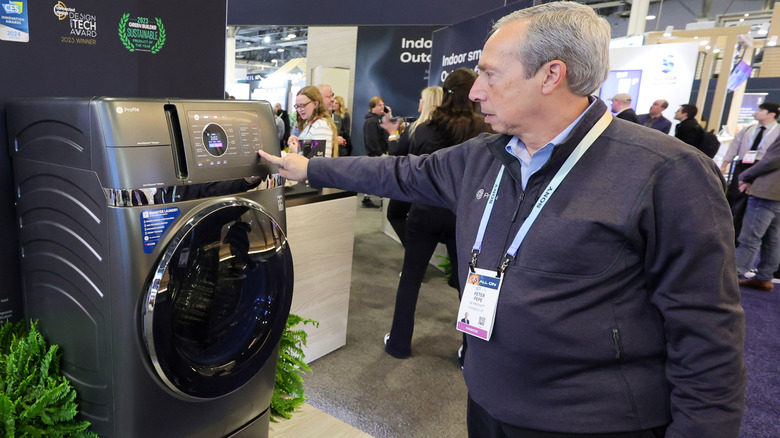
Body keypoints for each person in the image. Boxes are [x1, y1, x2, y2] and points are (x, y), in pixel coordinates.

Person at [259, 2, 745, 437]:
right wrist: (307, 166)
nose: (475, 93)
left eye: (490, 75)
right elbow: (398, 173)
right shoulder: (483, 156)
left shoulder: (667, 172)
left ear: (551, 75)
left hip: (594, 423)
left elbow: (706, 331)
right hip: (487, 401)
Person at [381, 70, 490, 360]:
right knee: (469, 286)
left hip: (425, 212)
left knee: (411, 279)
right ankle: (470, 354)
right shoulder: (485, 129)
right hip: (464, 217)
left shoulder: (426, 128)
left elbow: (407, 165)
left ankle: (398, 344)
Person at [384, 85, 444, 246]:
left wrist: (392, 136)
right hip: (438, 190)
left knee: (394, 214)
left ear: (428, 103)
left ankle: (414, 248)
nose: (419, 101)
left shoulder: (416, 129)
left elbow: (397, 156)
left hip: (412, 184)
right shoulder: (448, 130)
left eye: (422, 99)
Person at [721, 102, 780, 239]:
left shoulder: (777, 131)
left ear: (771, 114)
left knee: (752, 202)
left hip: (763, 168)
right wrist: (725, 164)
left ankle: (742, 233)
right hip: (742, 165)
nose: (757, 111)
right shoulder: (747, 129)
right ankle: (730, 233)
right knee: (735, 197)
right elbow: (734, 147)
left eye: (761, 110)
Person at [734, 134, 780, 292]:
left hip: (768, 191)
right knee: (773, 239)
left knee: (750, 239)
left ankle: (732, 277)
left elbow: (772, 160)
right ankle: (764, 277)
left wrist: (746, 175)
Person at [288, 86, 338, 158]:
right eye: (297, 106)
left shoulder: (321, 125)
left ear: (315, 104)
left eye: (303, 105)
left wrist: (297, 150)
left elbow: (320, 160)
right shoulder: (310, 123)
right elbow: (311, 149)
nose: (299, 110)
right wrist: (297, 142)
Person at [361, 96, 391, 208]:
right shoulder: (371, 122)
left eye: (383, 105)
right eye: (379, 105)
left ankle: (367, 198)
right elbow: (371, 140)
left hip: (379, 153)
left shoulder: (378, 120)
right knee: (378, 177)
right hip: (375, 155)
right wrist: (379, 153)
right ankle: (377, 199)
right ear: (372, 107)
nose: (382, 107)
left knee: (374, 177)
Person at [317, 84, 350, 157]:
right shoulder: (316, 121)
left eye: (332, 96)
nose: (332, 99)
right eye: (329, 97)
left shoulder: (328, 118)